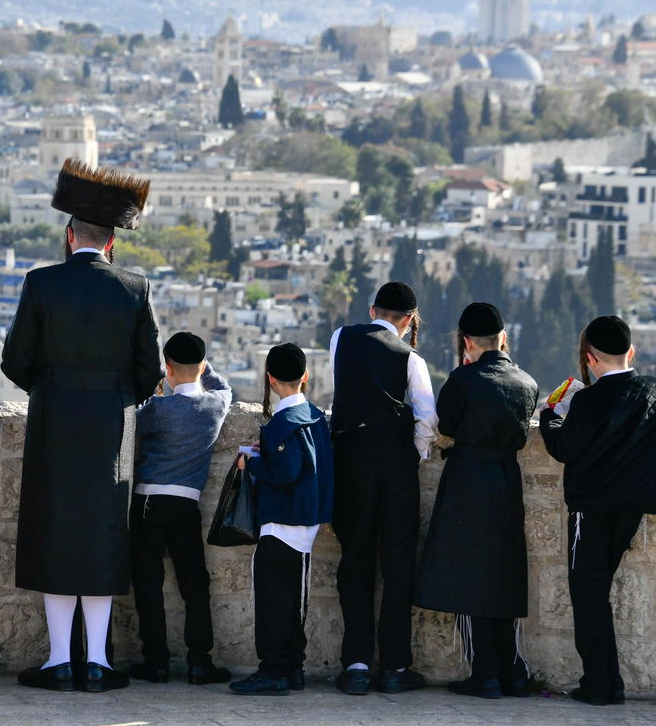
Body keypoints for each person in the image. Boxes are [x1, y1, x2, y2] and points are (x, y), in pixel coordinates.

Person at [2, 158, 163, 693]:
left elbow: (14, 360)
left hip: (53, 421)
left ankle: (57, 662)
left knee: (52, 534)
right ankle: (96, 661)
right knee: (101, 538)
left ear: (70, 237)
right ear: (111, 243)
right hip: (111, 427)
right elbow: (151, 370)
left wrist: (51, 391)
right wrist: (115, 398)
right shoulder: (135, 288)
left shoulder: (41, 283)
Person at [540, 315, 656, 707]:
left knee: (588, 594)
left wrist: (550, 417)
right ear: (631, 351)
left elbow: (564, 449)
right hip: (632, 509)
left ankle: (600, 684)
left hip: (591, 508)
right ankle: (608, 683)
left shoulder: (589, 398)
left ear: (589, 359)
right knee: (598, 593)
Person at [414, 303, 537, 700]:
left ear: (467, 342)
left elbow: (446, 425)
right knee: (503, 572)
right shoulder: (527, 383)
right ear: (503, 338)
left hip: (469, 479)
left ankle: (485, 674)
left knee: (470, 575)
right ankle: (514, 674)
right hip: (506, 480)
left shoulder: (463, 380)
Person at [328, 280, 437, 695]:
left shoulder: (342, 337)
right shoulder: (412, 359)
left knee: (354, 560)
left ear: (372, 310)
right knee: (397, 566)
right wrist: (414, 454)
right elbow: (427, 418)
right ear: (409, 321)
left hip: (351, 461)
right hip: (395, 469)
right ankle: (394, 666)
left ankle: (355, 665)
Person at [128, 331, 232, 686]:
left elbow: (132, 421)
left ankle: (155, 661)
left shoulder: (159, 409)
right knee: (195, 584)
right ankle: (200, 662)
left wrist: (157, 379)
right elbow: (224, 387)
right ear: (202, 367)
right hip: (186, 503)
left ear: (167, 368)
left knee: (148, 582)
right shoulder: (214, 406)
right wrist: (205, 368)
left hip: (148, 503)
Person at [230, 343, 334, 697]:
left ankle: (271, 670)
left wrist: (252, 464)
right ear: (306, 377)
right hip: (307, 522)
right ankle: (293, 668)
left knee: (271, 602)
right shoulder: (316, 417)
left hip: (280, 522)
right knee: (294, 603)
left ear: (271, 380)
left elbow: (286, 470)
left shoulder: (280, 425)